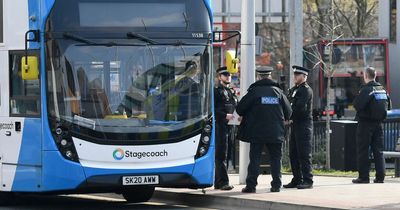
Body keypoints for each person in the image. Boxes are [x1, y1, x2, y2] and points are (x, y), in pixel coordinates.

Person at [237, 66, 292, 193]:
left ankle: (251, 186)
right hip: (276, 132)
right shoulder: (278, 92)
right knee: (275, 159)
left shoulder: (254, 92)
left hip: (257, 132)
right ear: (270, 76)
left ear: (258, 77)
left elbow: (240, 109)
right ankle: (276, 185)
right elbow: (289, 112)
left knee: (255, 159)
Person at [352, 67, 391, 184]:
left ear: (365, 76)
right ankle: (380, 177)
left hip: (365, 124)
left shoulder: (366, 89)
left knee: (363, 150)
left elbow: (357, 105)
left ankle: (363, 177)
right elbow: (388, 106)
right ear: (375, 76)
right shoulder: (382, 90)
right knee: (378, 150)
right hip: (379, 124)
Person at [283, 65, 314, 190]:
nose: (295, 76)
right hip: (295, 124)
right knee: (293, 153)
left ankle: (308, 180)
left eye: (298, 75)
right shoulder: (294, 89)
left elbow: (300, 108)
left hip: (303, 125)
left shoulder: (305, 90)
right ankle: (297, 178)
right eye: (294, 74)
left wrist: (288, 117)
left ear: (304, 76)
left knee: (304, 154)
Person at [214, 66, 236, 191]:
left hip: (230, 126)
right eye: (225, 74)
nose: (228, 76)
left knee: (227, 155)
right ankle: (223, 182)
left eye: (229, 75)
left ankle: (219, 181)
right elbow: (213, 109)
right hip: (221, 126)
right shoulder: (216, 91)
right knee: (221, 154)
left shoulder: (231, 91)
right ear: (219, 77)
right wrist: (224, 115)